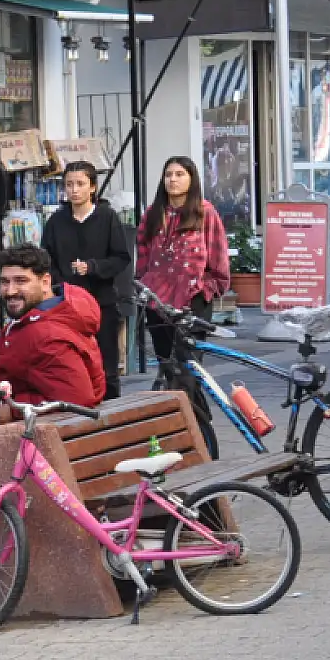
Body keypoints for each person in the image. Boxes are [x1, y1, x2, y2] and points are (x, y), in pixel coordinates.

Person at [136, 156, 230, 446]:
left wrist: (207, 289)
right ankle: (188, 429)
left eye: (179, 174)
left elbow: (218, 258)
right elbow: (142, 258)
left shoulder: (205, 213)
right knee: (168, 370)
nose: (173, 179)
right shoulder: (153, 215)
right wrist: (144, 287)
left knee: (188, 369)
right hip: (158, 304)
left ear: (192, 179)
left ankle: (194, 437)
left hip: (193, 302)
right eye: (168, 174)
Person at [41, 162, 132, 399]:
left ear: (92, 187)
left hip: (101, 303)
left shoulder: (107, 217)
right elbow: (46, 261)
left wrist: (93, 267)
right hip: (66, 306)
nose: (74, 190)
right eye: (69, 184)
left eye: (80, 184)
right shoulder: (55, 222)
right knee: (72, 365)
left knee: (106, 365)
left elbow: (121, 258)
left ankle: (112, 418)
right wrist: (61, 285)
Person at [0, 244, 105, 408]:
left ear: (45, 282)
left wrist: (13, 408)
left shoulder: (46, 335)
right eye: (5, 282)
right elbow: (0, 353)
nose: (10, 291)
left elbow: (77, 399)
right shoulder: (40, 316)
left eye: (21, 281)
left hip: (42, 428)